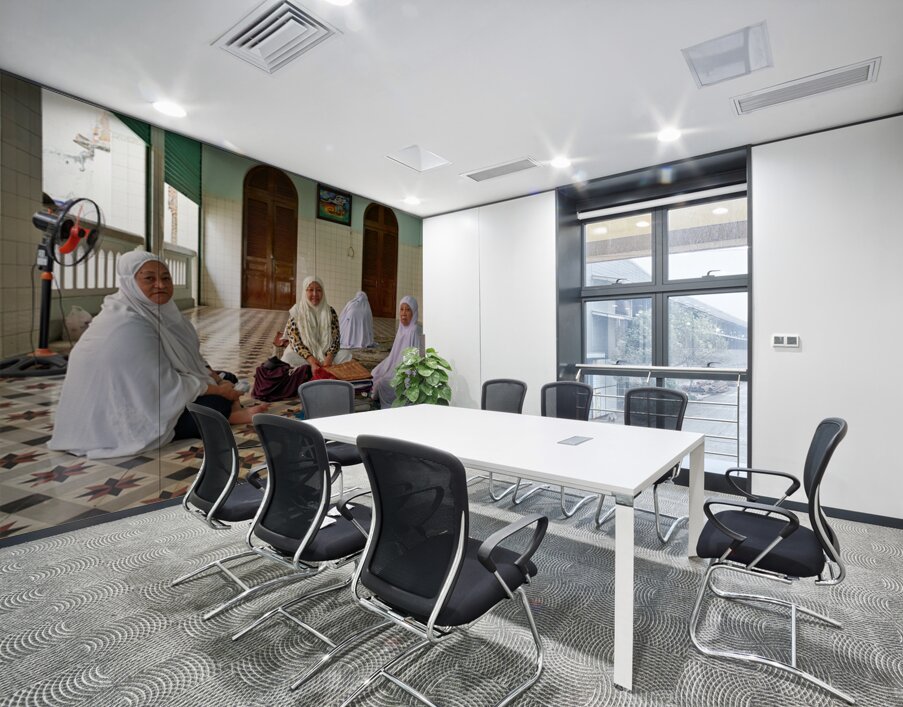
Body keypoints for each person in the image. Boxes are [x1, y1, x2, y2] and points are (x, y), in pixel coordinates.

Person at [48, 249, 266, 459]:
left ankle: (229, 409)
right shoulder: (127, 324)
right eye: (149, 279)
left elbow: (191, 358)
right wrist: (220, 392)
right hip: (120, 418)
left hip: (151, 394)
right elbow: (161, 385)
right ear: (129, 282)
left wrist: (218, 380)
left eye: (165, 278)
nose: (160, 285)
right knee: (214, 406)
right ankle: (228, 413)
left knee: (228, 377)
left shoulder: (162, 315)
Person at [275, 275, 351, 370]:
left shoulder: (330, 312)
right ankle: (315, 369)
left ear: (323, 292)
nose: (315, 294)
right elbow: (295, 342)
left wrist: (329, 359)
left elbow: (336, 340)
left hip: (326, 354)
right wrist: (311, 360)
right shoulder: (297, 311)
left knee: (347, 356)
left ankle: (317, 369)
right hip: (305, 356)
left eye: (319, 290)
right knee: (288, 358)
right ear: (304, 292)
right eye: (310, 290)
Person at [371, 295, 423, 408]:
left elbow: (418, 359)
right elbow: (395, 355)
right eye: (402, 309)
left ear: (414, 312)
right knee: (375, 373)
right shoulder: (402, 328)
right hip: (397, 365)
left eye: (408, 309)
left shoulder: (414, 331)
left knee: (383, 383)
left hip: (407, 373)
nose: (404, 313)